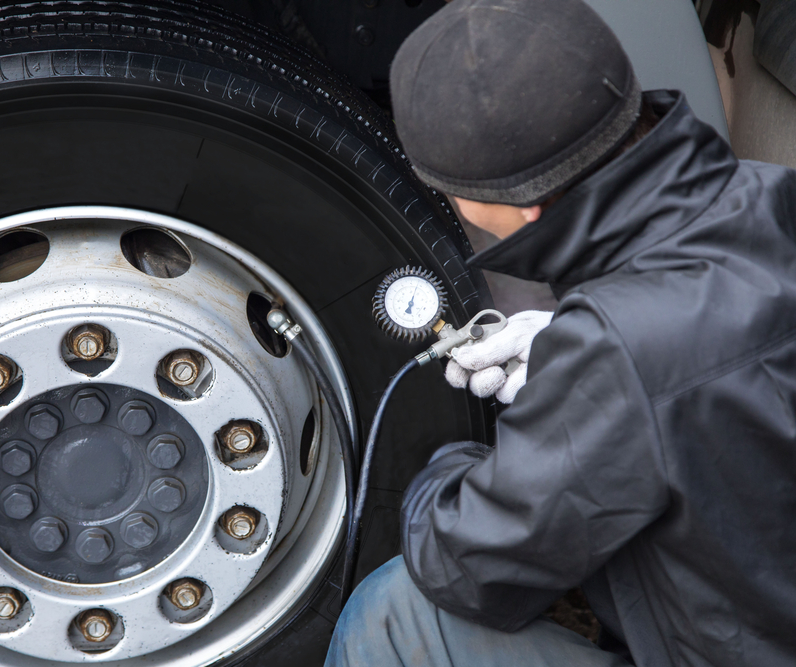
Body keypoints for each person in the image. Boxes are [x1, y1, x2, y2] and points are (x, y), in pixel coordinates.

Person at [324, 0, 796, 666]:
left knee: (394, 616)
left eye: (450, 192)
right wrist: (580, 357)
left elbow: (467, 566)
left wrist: (459, 464)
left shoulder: (617, 351)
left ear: (520, 203)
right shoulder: (773, 195)